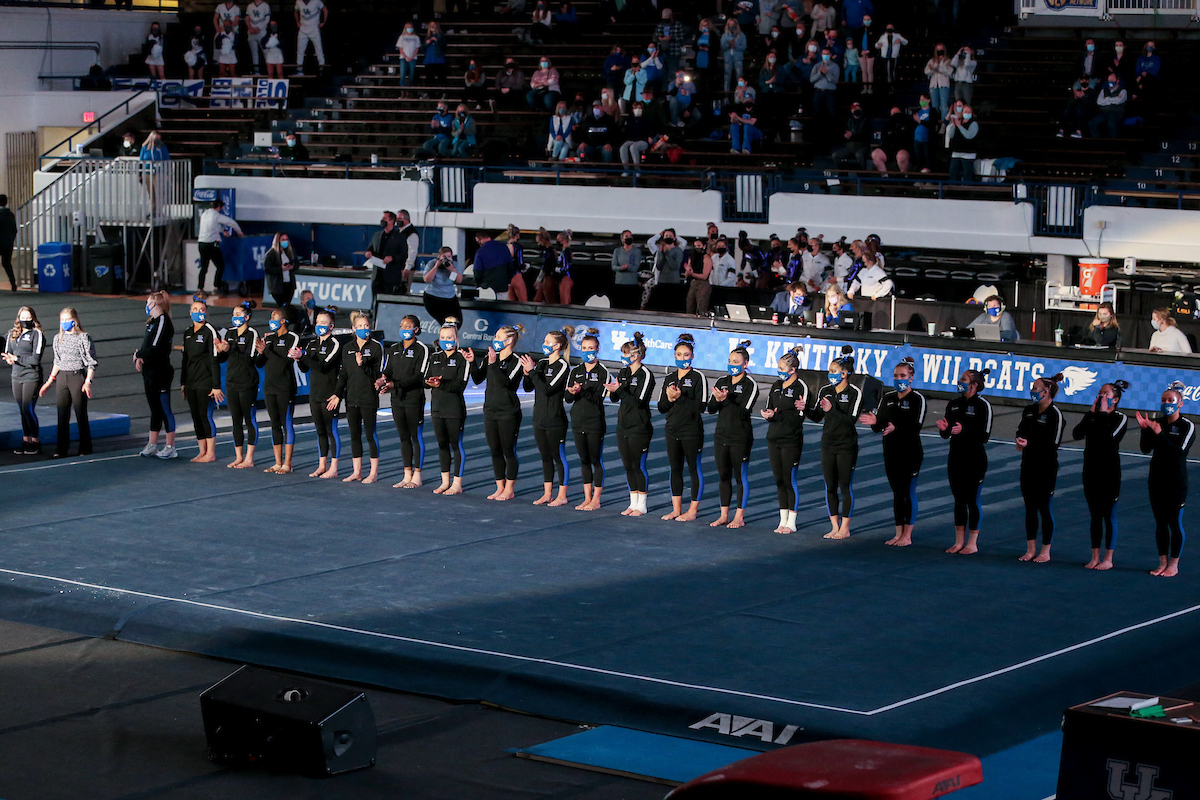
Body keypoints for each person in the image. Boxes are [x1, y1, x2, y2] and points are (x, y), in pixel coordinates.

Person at [859, 357, 926, 546]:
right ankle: (898, 532)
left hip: (910, 453)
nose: (899, 379)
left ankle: (907, 535)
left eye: (903, 376)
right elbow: (879, 424)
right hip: (891, 452)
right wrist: (874, 423)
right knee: (897, 493)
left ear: (911, 378)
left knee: (907, 492)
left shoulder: (917, 399)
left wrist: (896, 428)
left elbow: (916, 425)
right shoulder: (887, 398)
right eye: (896, 376)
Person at [1137, 381, 1194, 578]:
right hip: (1157, 480)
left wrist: (1159, 434)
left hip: (1176, 482)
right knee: (1160, 523)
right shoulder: (1157, 423)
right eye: (1163, 400)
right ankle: (1162, 562)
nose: (1166, 403)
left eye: (1170, 400)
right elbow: (1145, 449)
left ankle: (1174, 563)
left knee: (1174, 523)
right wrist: (1146, 429)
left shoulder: (1187, 426)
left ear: (1180, 404)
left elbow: (1179, 453)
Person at [1072, 380, 1129, 571]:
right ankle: (1095, 555)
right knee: (1095, 515)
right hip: (1091, 470)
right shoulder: (1093, 416)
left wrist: (1103, 413)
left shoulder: (1120, 418)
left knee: (1108, 515)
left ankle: (1108, 558)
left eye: (1106, 395)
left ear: (1115, 400)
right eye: (1099, 394)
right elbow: (1077, 433)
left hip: (1109, 472)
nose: (1101, 397)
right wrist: (1091, 414)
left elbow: (1109, 439)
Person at [807, 346, 861, 539]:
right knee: (830, 486)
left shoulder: (855, 392)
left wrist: (832, 410)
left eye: (833, 371)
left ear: (845, 374)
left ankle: (845, 528)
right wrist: (804, 408)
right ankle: (834, 526)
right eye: (829, 371)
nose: (829, 374)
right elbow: (816, 416)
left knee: (844, 486)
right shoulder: (825, 390)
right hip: (828, 444)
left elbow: (850, 421)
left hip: (846, 445)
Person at [937, 368, 992, 555]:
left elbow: (984, 435)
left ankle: (972, 542)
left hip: (975, 459)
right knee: (958, 500)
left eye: (963, 379)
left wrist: (964, 430)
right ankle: (959, 541)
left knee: (972, 500)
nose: (959, 381)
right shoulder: (953, 404)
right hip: (956, 457)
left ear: (974, 384)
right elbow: (947, 433)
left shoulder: (983, 406)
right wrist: (945, 429)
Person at [707, 341, 760, 529]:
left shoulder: (750, 385)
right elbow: (711, 409)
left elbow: (743, 412)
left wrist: (726, 400)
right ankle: (723, 515)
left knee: (740, 476)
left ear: (745, 364)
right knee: (723, 475)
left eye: (736, 361)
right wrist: (717, 399)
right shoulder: (722, 381)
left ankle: (739, 516)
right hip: (721, 435)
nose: (732, 364)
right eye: (730, 361)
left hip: (740, 437)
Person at [1015, 373, 1066, 563]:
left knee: (1044, 508)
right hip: (1028, 464)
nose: (1032, 391)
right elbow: (1021, 430)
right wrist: (1019, 440)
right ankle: (1030, 549)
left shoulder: (1055, 415)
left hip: (1045, 467)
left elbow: (1052, 443)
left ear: (1046, 392)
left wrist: (1030, 444)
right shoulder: (1029, 410)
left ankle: (1045, 550)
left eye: (1036, 388)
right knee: (1029, 508)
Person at [326, 311, 383, 484]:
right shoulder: (348, 348)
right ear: (353, 329)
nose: (364, 329)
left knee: (369, 434)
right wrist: (337, 394)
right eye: (360, 326)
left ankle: (373, 472)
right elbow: (344, 374)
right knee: (354, 435)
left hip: (368, 398)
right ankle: (356, 471)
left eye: (366, 326)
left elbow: (376, 374)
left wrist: (362, 364)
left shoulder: (375, 347)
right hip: (352, 398)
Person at [604, 332, 655, 517]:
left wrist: (621, 390)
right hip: (623, 425)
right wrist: (613, 391)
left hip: (639, 427)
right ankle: (632, 503)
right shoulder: (623, 372)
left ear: (636, 355)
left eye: (626, 354)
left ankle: (642, 505)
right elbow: (617, 397)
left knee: (638, 466)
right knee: (628, 466)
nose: (624, 358)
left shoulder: (646, 375)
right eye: (622, 353)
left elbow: (639, 402)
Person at [658, 334, 707, 522]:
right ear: (674, 356)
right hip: (672, 430)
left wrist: (680, 398)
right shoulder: (670, 377)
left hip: (691, 431)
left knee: (694, 469)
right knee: (675, 469)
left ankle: (692, 510)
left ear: (692, 356)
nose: (682, 358)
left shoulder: (698, 377)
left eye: (686, 355)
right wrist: (670, 399)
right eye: (679, 355)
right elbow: (662, 407)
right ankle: (676, 509)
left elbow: (701, 407)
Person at [376, 315, 429, 489]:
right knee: (403, 437)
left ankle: (418, 475)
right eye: (401, 325)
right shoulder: (394, 348)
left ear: (416, 329)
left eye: (408, 326)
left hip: (414, 399)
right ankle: (407, 475)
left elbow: (419, 377)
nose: (404, 328)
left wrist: (395, 384)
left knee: (415, 436)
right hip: (397, 398)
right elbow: (388, 370)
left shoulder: (422, 349)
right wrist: (383, 380)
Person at [473, 324, 524, 501]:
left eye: (498, 337)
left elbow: (507, 384)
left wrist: (494, 364)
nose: (495, 340)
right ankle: (499, 487)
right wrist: (472, 361)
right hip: (490, 409)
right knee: (495, 450)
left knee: (508, 450)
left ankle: (509, 489)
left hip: (508, 412)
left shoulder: (516, 361)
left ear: (508, 341)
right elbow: (477, 378)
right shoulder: (490, 356)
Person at [759, 346, 808, 534]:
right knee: (779, 480)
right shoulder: (776, 386)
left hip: (791, 439)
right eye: (778, 368)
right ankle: (783, 520)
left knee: (789, 480)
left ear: (792, 369)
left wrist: (777, 416)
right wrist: (768, 414)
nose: (779, 372)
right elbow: (770, 407)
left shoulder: (800, 387)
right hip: (774, 438)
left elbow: (799, 417)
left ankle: (792, 522)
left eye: (782, 368)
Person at [523, 327, 573, 506]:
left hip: (555, 419)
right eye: (544, 341)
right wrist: (527, 373)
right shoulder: (542, 363)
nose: (544, 345)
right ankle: (547, 493)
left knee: (558, 456)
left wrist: (533, 372)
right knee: (545, 457)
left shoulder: (563, 366)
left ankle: (562, 495)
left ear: (557, 346)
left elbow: (547, 389)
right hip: (539, 417)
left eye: (547, 342)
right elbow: (529, 387)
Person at [425, 320, 471, 496]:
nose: (446, 340)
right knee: (441, 445)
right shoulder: (435, 357)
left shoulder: (462, 358)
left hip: (454, 409)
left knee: (455, 445)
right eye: (443, 337)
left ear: (456, 338)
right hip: (437, 407)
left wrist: (440, 384)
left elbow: (460, 385)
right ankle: (445, 482)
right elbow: (427, 378)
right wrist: (431, 382)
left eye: (449, 337)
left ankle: (457, 483)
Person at [565, 329, 609, 511]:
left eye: (590, 348)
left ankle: (596, 500)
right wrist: (572, 392)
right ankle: (586, 498)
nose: (587, 351)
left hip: (594, 423)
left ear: (597, 349)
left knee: (595, 459)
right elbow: (568, 398)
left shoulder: (603, 371)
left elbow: (599, 397)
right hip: (578, 421)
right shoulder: (576, 371)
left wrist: (583, 390)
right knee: (583, 460)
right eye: (584, 348)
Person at [299, 306, 343, 479]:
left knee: (331, 430)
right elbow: (304, 368)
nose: (320, 326)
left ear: (331, 326)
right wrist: (298, 357)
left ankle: (334, 467)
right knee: (320, 431)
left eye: (324, 323)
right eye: (318, 322)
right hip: (315, 393)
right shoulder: (312, 343)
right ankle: (321, 465)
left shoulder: (335, 344)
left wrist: (303, 356)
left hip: (329, 394)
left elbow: (323, 366)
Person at [175, 302, 220, 463]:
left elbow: (215, 359)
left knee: (205, 415)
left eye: (201, 309)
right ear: (190, 312)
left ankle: (211, 452)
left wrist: (216, 385)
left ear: (206, 312)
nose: (198, 312)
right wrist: (183, 382)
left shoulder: (210, 331)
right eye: (195, 309)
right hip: (191, 380)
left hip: (205, 380)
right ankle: (202, 451)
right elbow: (185, 358)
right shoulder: (187, 332)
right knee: (195, 416)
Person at [5, 307, 45, 455]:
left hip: (31, 376)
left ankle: (36, 441)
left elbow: (35, 359)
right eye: (23, 317)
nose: (25, 321)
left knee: (28, 408)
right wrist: (9, 359)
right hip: (16, 375)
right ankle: (26, 440)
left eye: (28, 318)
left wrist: (17, 359)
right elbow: (8, 351)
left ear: (33, 318)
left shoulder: (37, 334)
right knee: (22, 410)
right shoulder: (12, 334)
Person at [197, 198, 243, 295]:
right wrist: (240, 232)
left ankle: (200, 288)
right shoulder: (216, 215)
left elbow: (212, 226)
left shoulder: (205, 214)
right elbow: (232, 223)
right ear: (219, 207)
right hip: (211, 244)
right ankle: (216, 287)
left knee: (204, 268)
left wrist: (222, 231)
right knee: (220, 266)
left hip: (201, 243)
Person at [366, 211, 407, 295]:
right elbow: (371, 247)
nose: (382, 220)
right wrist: (368, 252)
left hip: (391, 277)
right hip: (377, 276)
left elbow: (404, 254)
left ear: (391, 221)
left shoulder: (400, 237)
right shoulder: (377, 235)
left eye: (385, 218)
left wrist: (392, 258)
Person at [423, 246, 463, 325]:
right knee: (444, 322)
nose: (447, 259)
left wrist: (452, 269)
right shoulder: (432, 264)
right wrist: (436, 267)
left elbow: (459, 280)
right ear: (439, 257)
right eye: (444, 257)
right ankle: (444, 336)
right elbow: (427, 279)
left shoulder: (454, 265)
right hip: (433, 297)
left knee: (457, 321)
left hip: (449, 297)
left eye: (449, 257)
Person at [871, 106, 913, 175]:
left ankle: (904, 177)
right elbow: (884, 138)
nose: (896, 115)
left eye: (897, 112)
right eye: (893, 113)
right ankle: (885, 177)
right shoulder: (888, 125)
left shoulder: (908, 123)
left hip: (903, 147)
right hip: (889, 149)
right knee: (875, 154)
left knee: (901, 155)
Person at [619, 101, 658, 172]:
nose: (638, 110)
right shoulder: (629, 120)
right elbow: (625, 132)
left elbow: (653, 129)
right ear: (633, 110)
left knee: (633, 147)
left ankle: (637, 169)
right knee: (622, 148)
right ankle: (626, 170)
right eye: (636, 108)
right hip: (631, 140)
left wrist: (650, 136)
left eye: (640, 108)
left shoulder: (647, 119)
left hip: (643, 141)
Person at [263, 232, 297, 309]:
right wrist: (280, 269)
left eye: (286, 239)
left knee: (287, 305)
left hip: (289, 283)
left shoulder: (290, 251)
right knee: (282, 305)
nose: (285, 241)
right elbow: (268, 269)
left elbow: (296, 263)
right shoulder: (271, 254)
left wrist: (292, 266)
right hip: (277, 285)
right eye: (283, 239)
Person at [294, 0, 327, 75]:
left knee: (319, 50)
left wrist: (323, 22)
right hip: (303, 29)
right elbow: (296, 11)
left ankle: (322, 69)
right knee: (300, 51)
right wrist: (297, 22)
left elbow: (325, 10)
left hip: (314, 29)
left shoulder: (316, 1)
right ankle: (299, 70)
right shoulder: (298, 1)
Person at [1089, 73, 1126, 139]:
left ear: (1117, 80)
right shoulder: (1103, 90)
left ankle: (1112, 143)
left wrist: (1106, 100)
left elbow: (1118, 101)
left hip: (1116, 113)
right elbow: (1099, 102)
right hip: (1103, 112)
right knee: (1091, 123)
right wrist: (1112, 100)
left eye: (1112, 79)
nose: (1110, 82)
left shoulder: (1123, 91)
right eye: (1109, 80)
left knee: (1110, 124)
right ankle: (1098, 142)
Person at [947, 104, 979, 182]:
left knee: (967, 174)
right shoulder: (959, 120)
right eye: (965, 111)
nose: (967, 113)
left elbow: (969, 136)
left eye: (969, 112)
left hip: (968, 154)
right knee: (953, 173)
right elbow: (950, 135)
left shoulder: (974, 123)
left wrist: (960, 126)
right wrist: (954, 126)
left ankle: (967, 191)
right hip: (956, 152)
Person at [611, 231, 642, 309]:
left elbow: (636, 267)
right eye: (626, 236)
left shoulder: (637, 251)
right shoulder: (617, 251)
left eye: (630, 236)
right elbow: (613, 266)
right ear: (622, 239)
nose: (629, 238)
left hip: (632, 283)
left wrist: (627, 267)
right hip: (619, 283)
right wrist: (621, 268)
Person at [684, 240, 714, 316]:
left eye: (699, 246)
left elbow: (704, 276)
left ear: (703, 246)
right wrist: (688, 271)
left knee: (701, 308)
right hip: (692, 284)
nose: (697, 248)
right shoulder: (692, 257)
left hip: (703, 285)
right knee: (689, 307)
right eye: (695, 246)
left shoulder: (707, 258)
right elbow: (686, 275)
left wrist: (692, 273)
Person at [924, 44, 953, 123]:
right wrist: (932, 69)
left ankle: (944, 123)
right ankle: (934, 123)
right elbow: (926, 71)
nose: (940, 52)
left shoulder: (948, 61)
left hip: (943, 85)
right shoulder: (932, 60)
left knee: (944, 105)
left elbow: (948, 72)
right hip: (933, 85)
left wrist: (938, 68)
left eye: (941, 49)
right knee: (934, 105)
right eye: (938, 50)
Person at [875, 24, 907, 90]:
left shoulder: (897, 36)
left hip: (893, 56)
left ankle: (893, 85)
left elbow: (906, 42)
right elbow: (876, 45)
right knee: (886, 71)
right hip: (885, 56)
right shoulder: (883, 36)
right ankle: (886, 85)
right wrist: (879, 45)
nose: (890, 28)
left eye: (891, 27)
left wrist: (900, 40)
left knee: (892, 71)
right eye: (888, 28)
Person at [245, 0, 271, 75]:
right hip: (251, 32)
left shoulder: (265, 5)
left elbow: (267, 19)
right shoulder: (250, 6)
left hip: (262, 32)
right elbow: (247, 18)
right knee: (254, 53)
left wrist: (259, 28)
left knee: (266, 52)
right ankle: (256, 71)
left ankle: (269, 72)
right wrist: (250, 28)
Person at [721, 19, 747, 92]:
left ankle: (741, 93)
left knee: (739, 77)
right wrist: (729, 45)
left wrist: (736, 46)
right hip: (728, 58)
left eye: (733, 24)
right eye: (730, 24)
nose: (731, 26)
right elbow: (722, 47)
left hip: (738, 58)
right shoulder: (725, 35)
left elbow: (744, 47)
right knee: (727, 77)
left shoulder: (741, 35)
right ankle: (726, 94)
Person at [1, 195, 19, 291]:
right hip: (8, 243)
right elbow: (14, 229)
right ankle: (12, 282)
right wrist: (11, 240)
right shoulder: (10, 214)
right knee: (7, 263)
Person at [396, 22, 420, 87]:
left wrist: (412, 57)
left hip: (413, 58)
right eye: (408, 27)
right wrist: (406, 57)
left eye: (410, 27)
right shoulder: (401, 37)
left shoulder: (416, 37)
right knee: (402, 75)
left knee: (411, 74)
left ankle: (409, 90)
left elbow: (417, 48)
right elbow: (400, 48)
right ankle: (402, 90)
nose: (409, 29)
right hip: (403, 58)